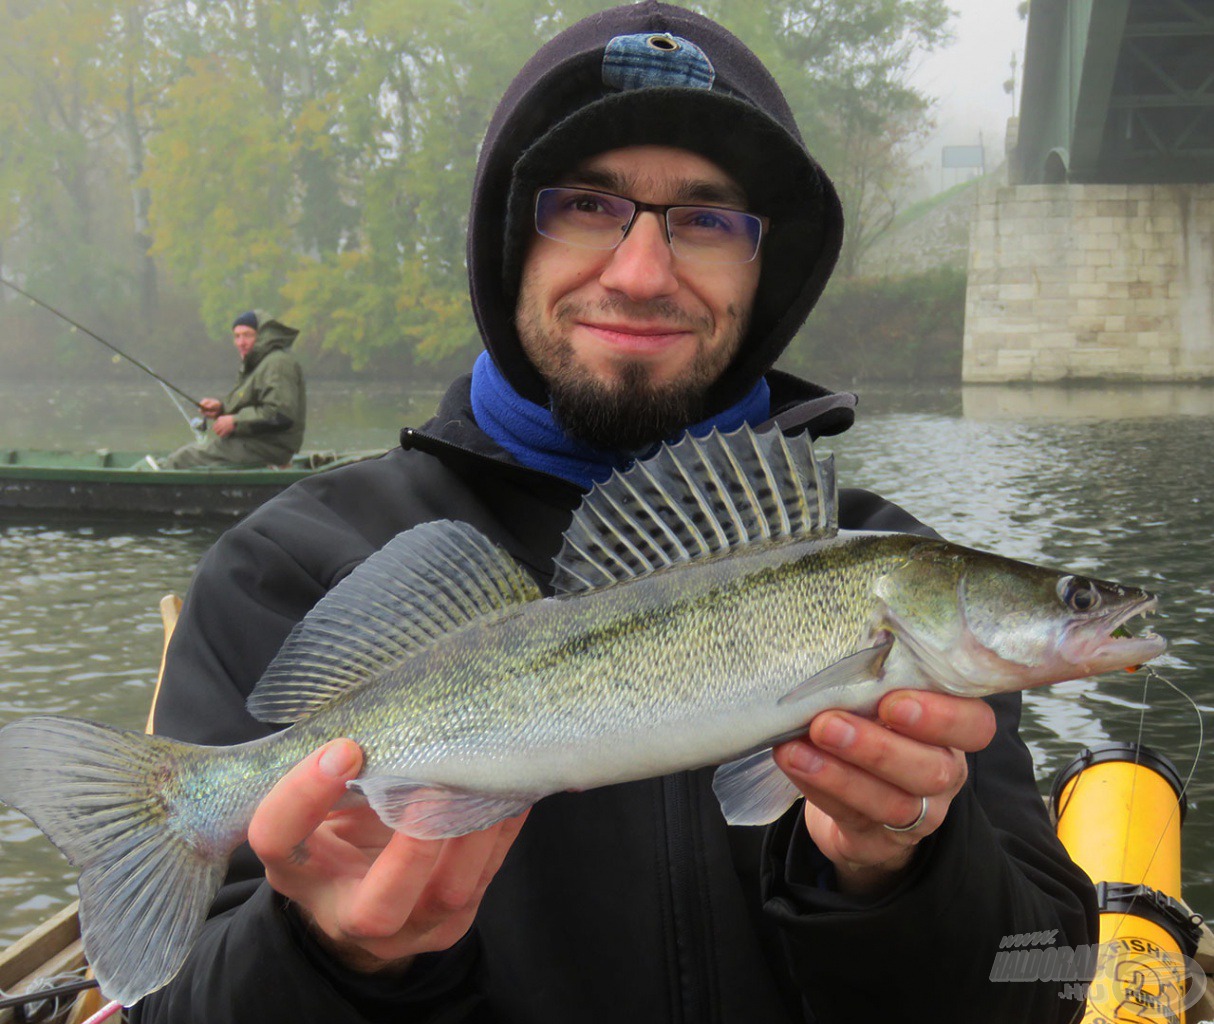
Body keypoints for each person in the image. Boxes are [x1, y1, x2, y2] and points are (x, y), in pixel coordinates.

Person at [134, 4, 1096, 1022]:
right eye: (585, 206)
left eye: (709, 220)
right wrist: (334, 959)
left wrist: (899, 873)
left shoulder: (894, 570)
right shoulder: (286, 565)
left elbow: (1043, 977)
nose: (638, 273)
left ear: (767, 270)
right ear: (509, 241)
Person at [161, 310, 306, 469]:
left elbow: (280, 414)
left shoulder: (278, 363)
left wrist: (235, 422)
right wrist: (222, 409)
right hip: (253, 443)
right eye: (237, 336)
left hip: (267, 447)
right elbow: (255, 403)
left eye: (247, 335)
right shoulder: (259, 364)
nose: (241, 342)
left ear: (263, 335)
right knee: (185, 456)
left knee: (183, 459)